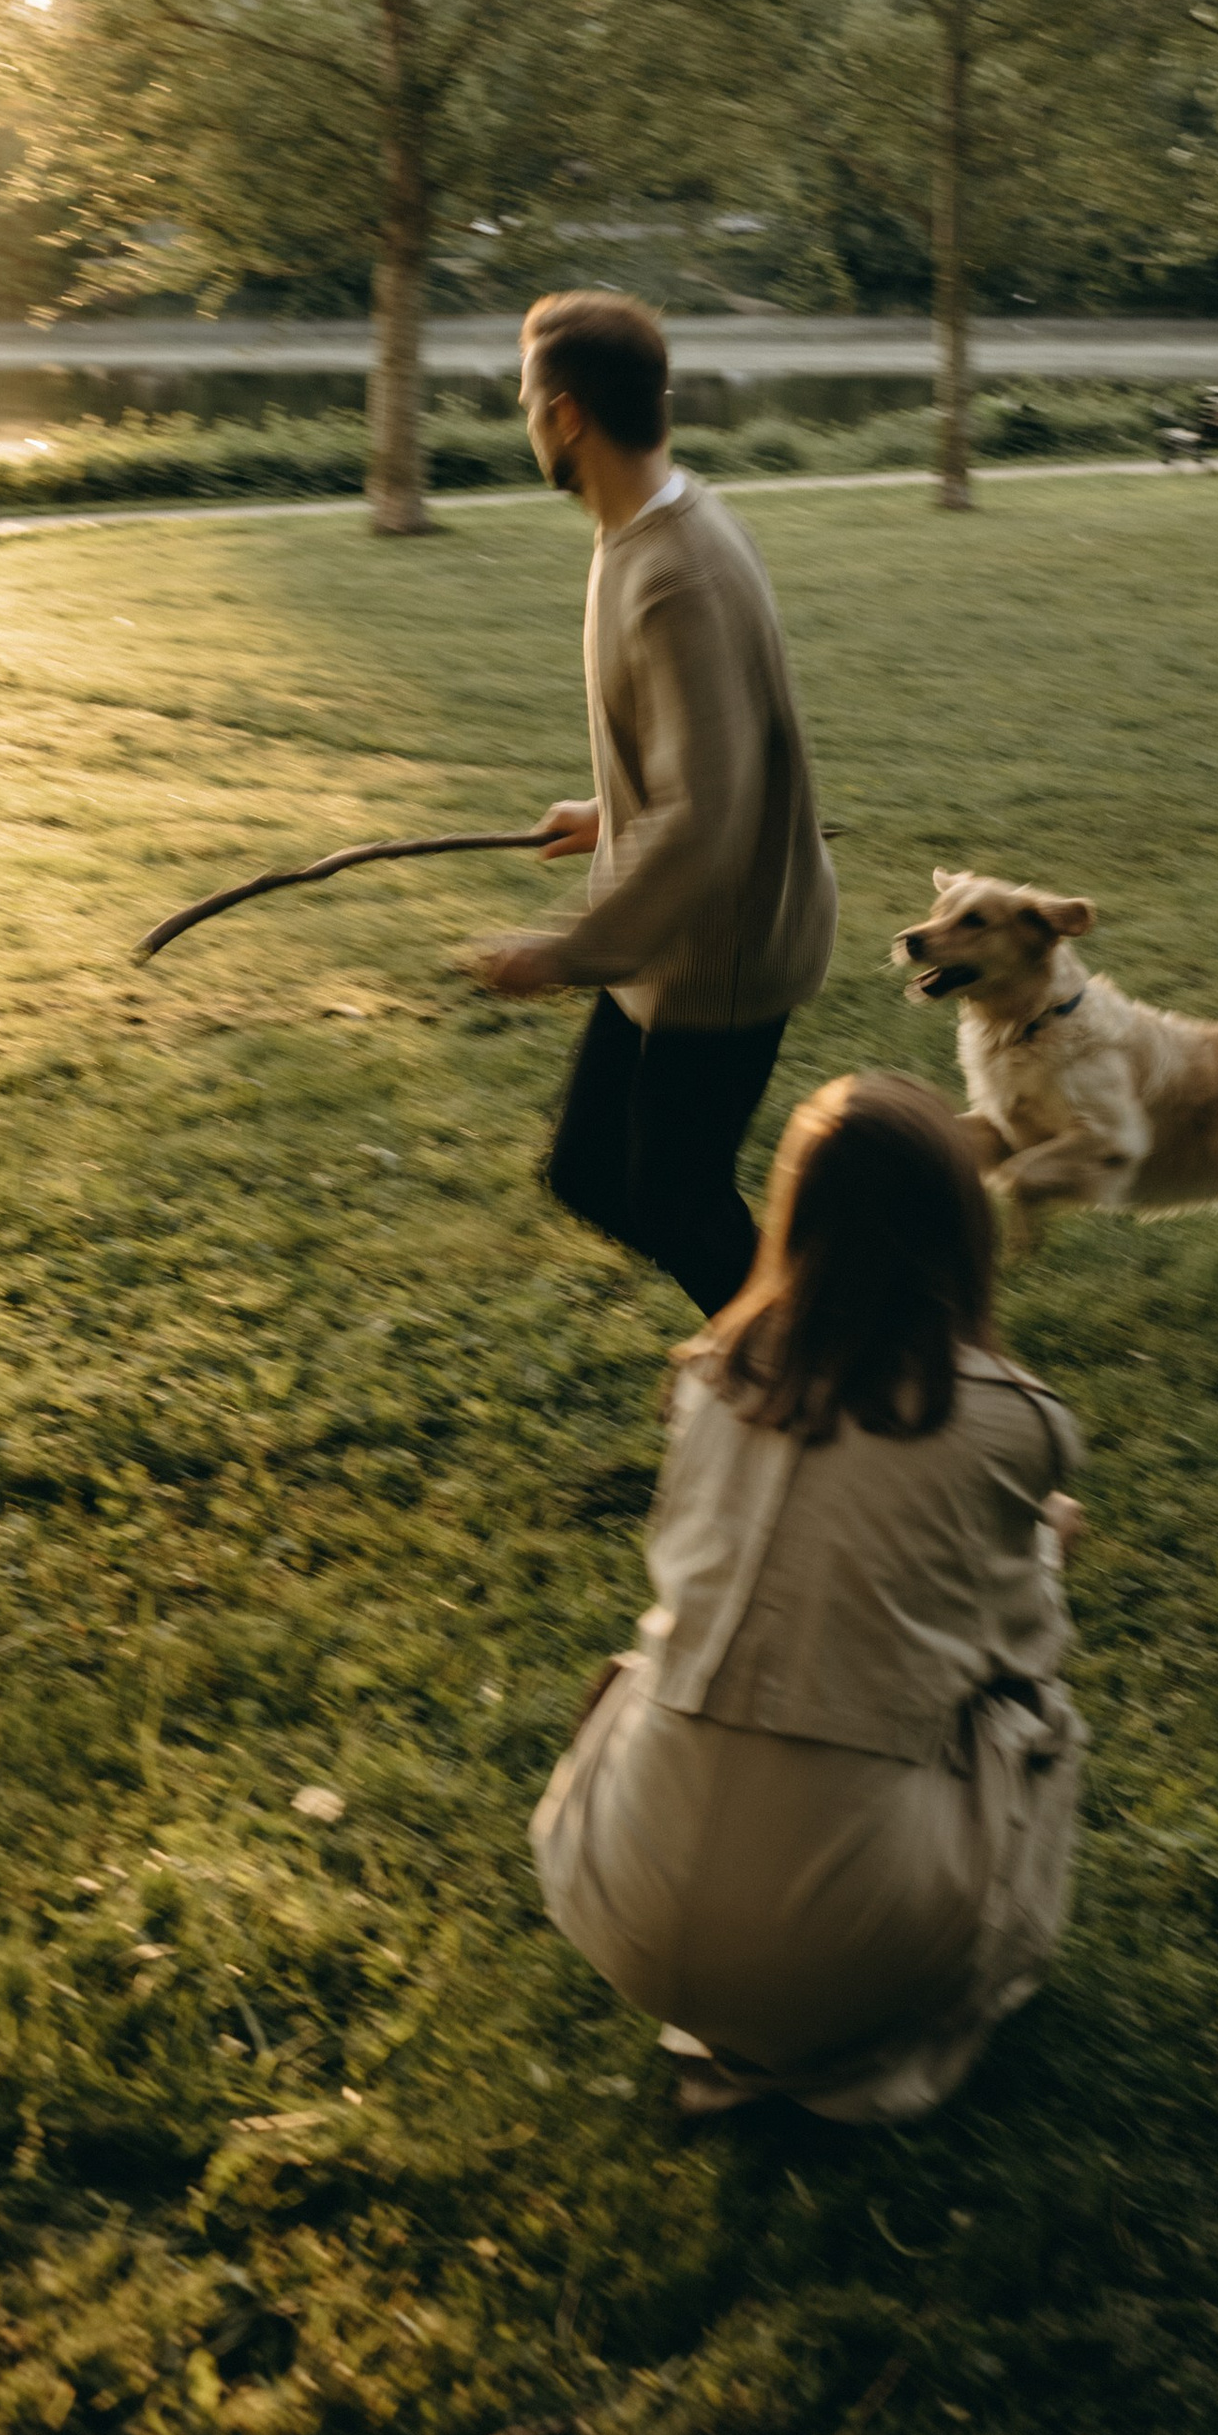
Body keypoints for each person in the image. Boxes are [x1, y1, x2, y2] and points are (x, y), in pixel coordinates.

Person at [529, 1074, 1087, 2124]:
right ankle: (871, 2024)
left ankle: (743, 2005)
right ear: (958, 1227)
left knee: (669, 1666)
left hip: (615, 1897)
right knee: (1036, 1728)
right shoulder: (1013, 1423)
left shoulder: (707, 1377)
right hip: (853, 1941)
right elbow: (1024, 1648)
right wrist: (1043, 1548)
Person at [464, 291, 838, 1317]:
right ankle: (799, 1351)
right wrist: (608, 808)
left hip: (719, 951)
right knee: (591, 1171)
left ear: (569, 414)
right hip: (676, 934)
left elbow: (704, 817)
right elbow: (710, 751)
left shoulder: (674, 572)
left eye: (527, 397)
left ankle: (821, 1366)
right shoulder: (657, 522)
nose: (525, 417)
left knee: (671, 1197)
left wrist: (565, 951)